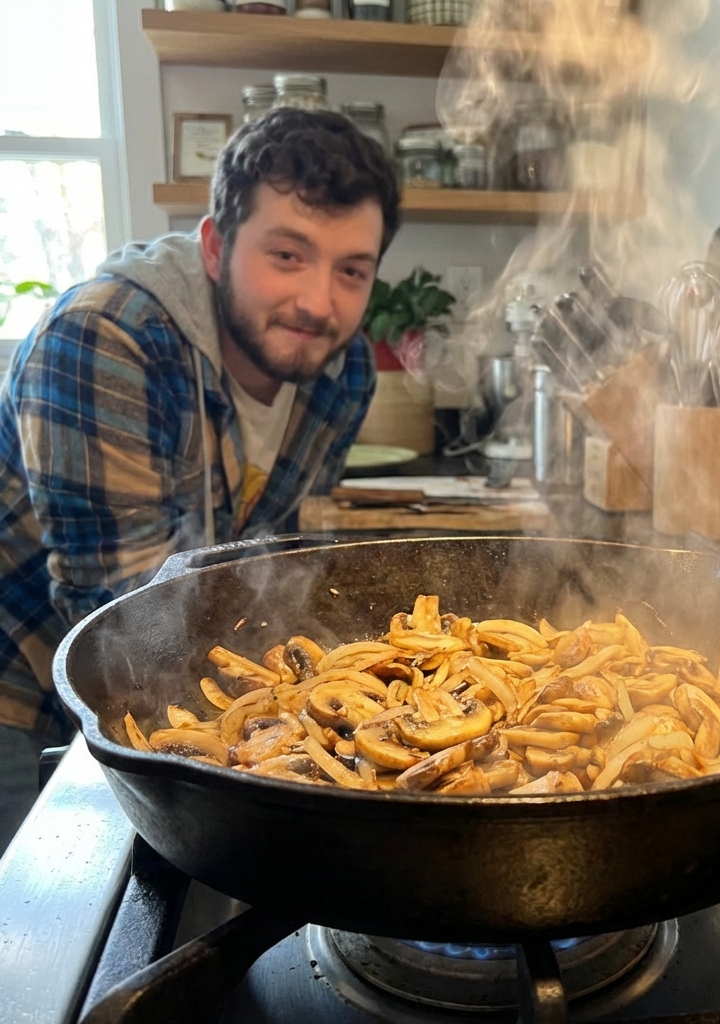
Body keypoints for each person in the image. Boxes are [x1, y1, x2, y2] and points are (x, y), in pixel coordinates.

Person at [0, 107, 401, 853]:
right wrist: (274, 724)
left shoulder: (341, 370)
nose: (319, 302)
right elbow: (121, 617)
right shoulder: (104, 339)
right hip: (22, 680)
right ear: (216, 247)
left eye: (351, 270)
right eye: (287, 254)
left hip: (170, 676)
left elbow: (266, 568)